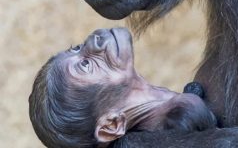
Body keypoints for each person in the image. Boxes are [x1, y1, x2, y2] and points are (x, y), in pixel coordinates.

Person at [29, 28, 216, 148]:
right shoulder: (185, 118)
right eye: (85, 65)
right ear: (111, 125)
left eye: (76, 48)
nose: (92, 41)